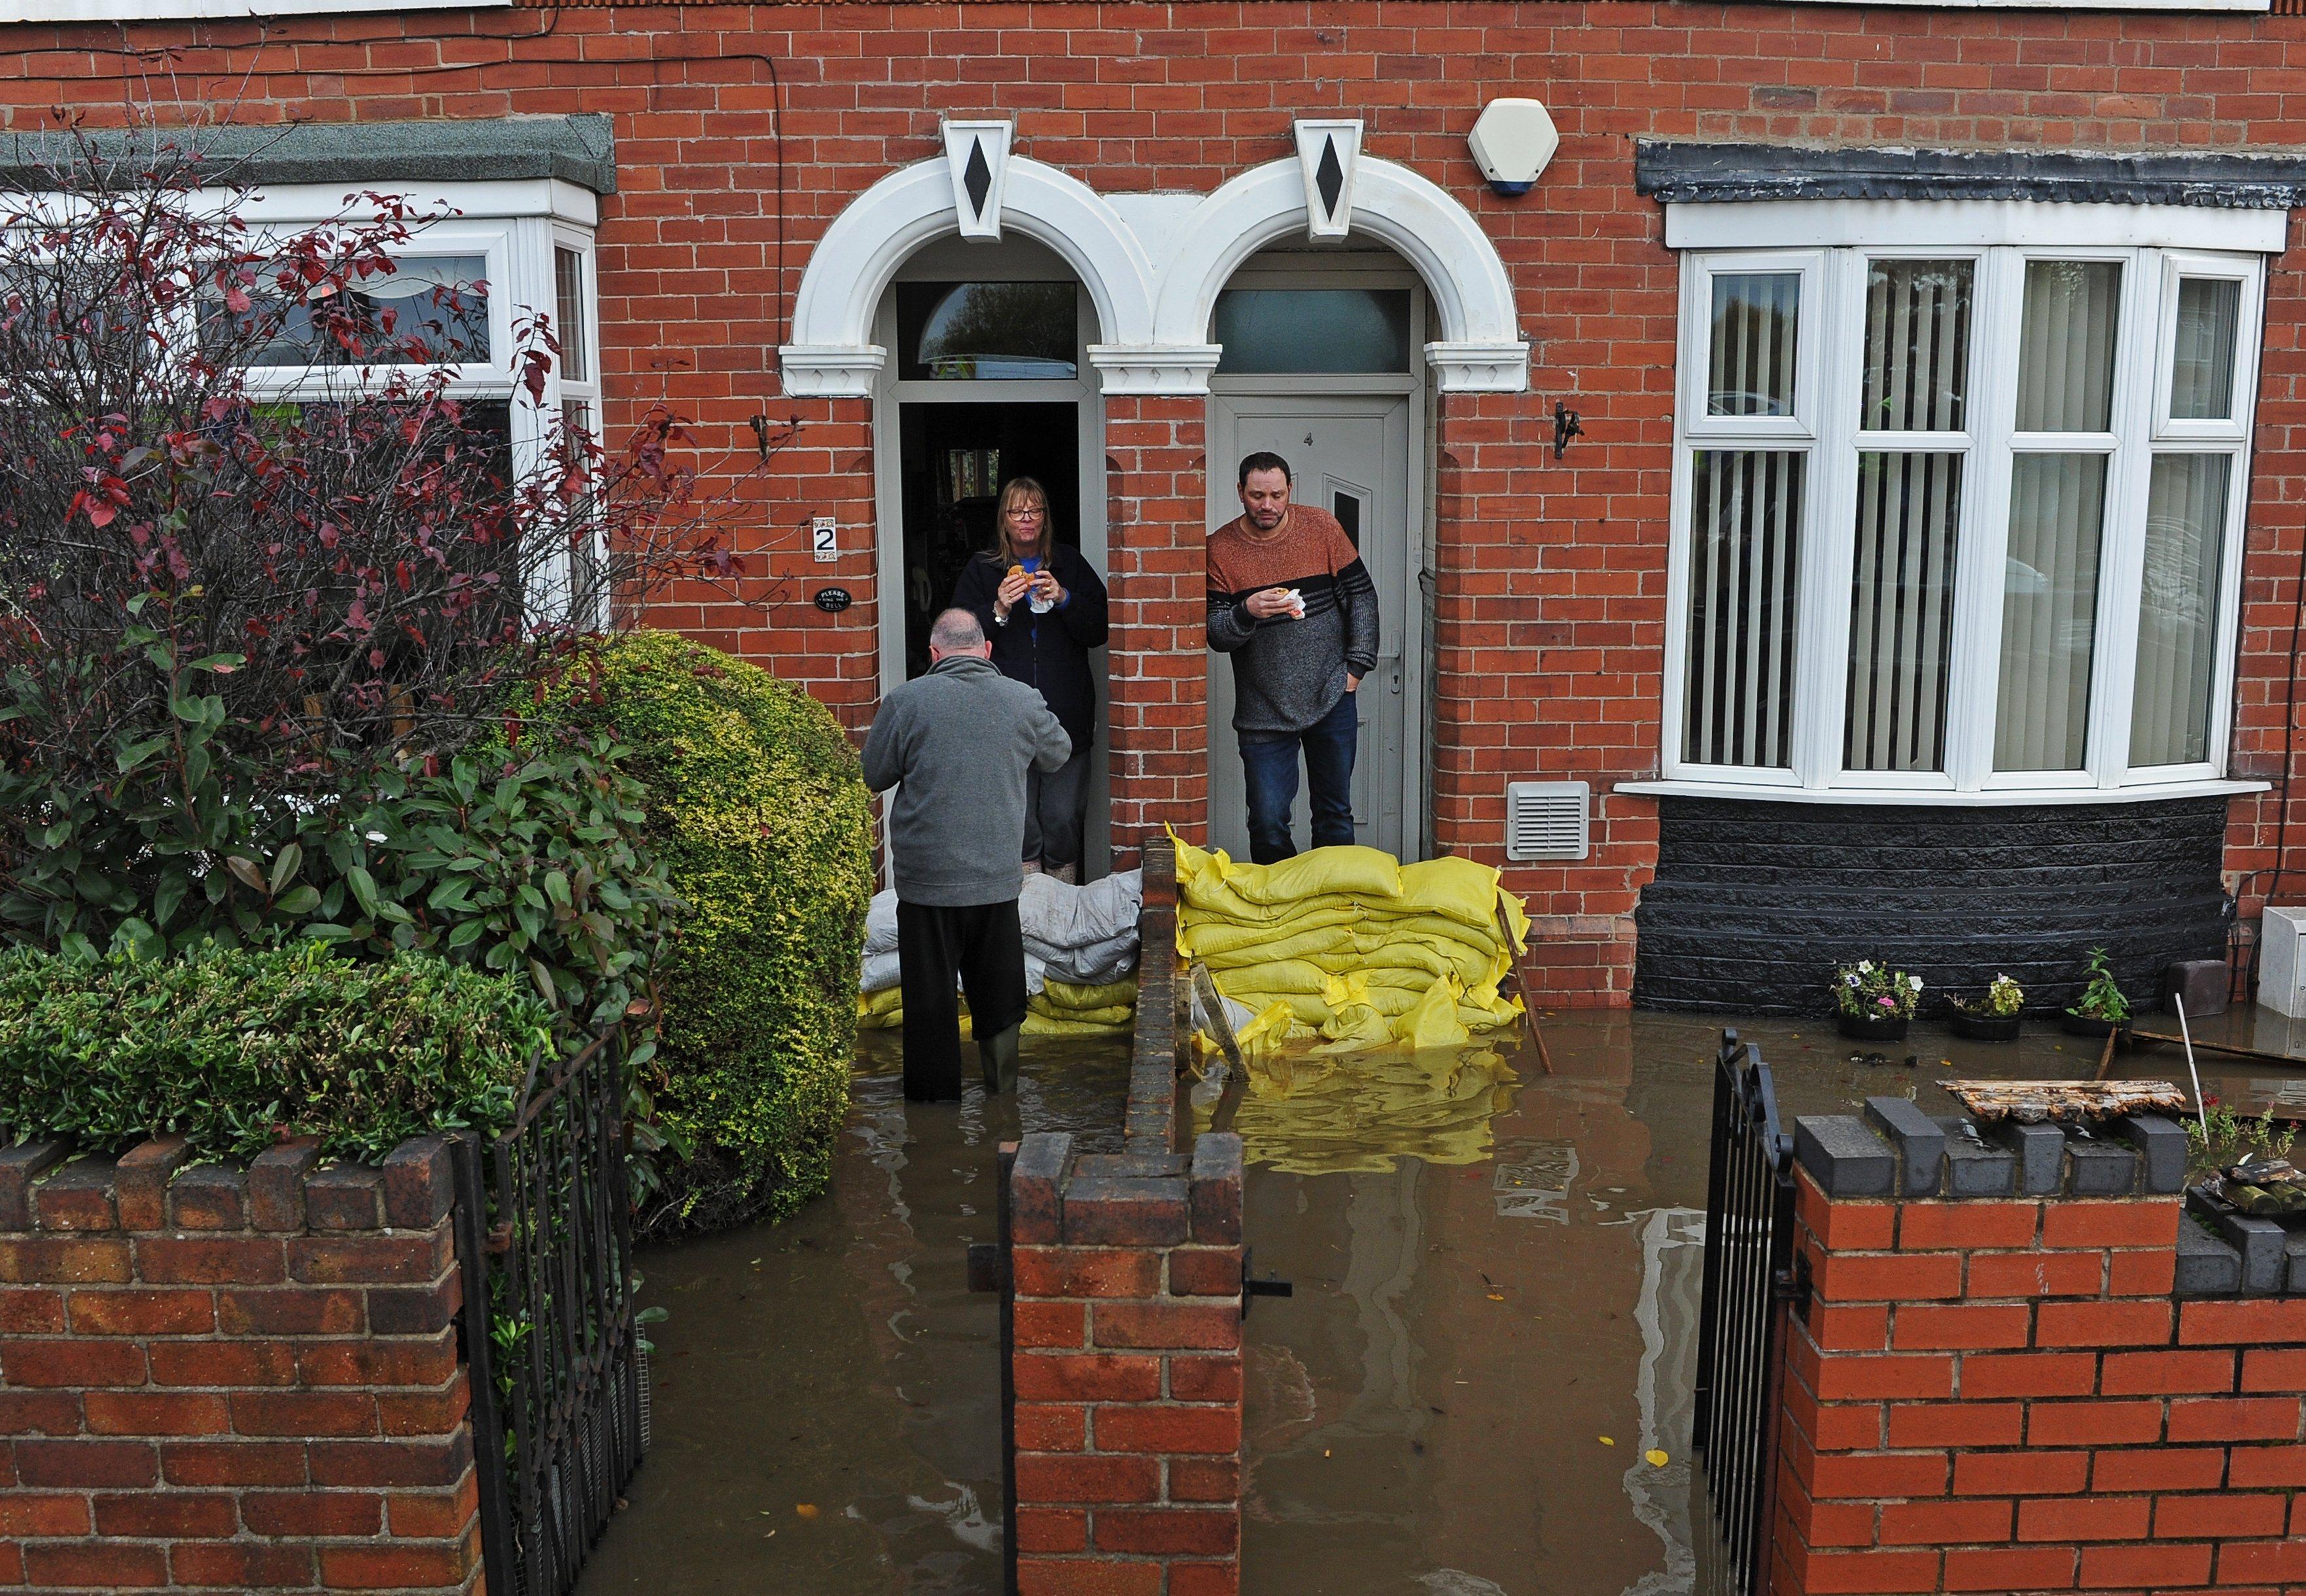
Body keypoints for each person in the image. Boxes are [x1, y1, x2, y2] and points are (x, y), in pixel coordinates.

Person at [862, 608, 1072, 1100]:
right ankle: (1002, 1095)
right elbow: (1058, 753)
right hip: (995, 881)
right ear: (987, 651)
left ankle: (933, 1117)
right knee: (999, 994)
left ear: (933, 655)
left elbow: (873, 776)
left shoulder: (904, 701)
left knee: (929, 1002)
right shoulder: (1021, 699)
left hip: (925, 883)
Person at [1206, 450, 1380, 865]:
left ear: (1289, 491)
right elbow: (1216, 634)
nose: (1267, 505)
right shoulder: (1220, 549)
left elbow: (1362, 596)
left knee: (1334, 816)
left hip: (1332, 695)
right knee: (1266, 822)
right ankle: (1281, 915)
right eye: (1257, 495)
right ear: (1241, 493)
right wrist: (1246, 612)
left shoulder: (1321, 527)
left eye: (1276, 495)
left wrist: (1356, 667)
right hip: (1263, 708)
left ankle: (1331, 909)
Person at [950, 476, 1109, 883]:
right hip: (1001, 714)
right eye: (1017, 511)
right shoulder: (983, 569)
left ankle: (1062, 906)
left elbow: (1100, 629)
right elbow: (959, 640)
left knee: (1061, 819)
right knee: (1019, 824)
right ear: (1003, 519)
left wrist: (1065, 598)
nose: (1026, 519)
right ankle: (1024, 917)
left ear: (1045, 518)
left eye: (1034, 510)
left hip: (1066, 712)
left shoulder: (1069, 563)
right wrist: (999, 606)